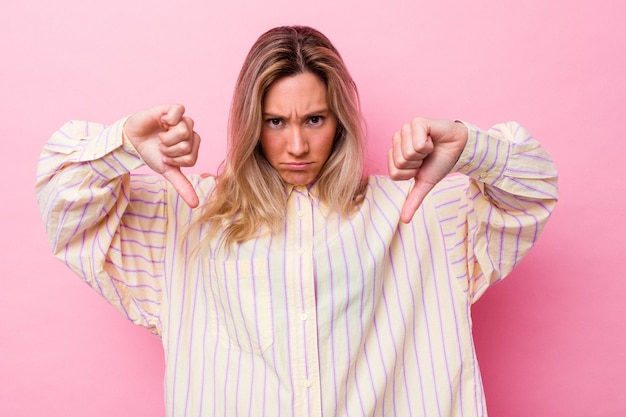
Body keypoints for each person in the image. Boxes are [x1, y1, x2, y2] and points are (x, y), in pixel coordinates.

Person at [36, 25, 558, 417]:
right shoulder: (190, 217)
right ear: (250, 124)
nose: (297, 145)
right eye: (274, 122)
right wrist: (124, 145)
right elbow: (65, 208)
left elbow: (533, 190)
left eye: (314, 118)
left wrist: (470, 147)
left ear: (341, 121)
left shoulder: (416, 213)